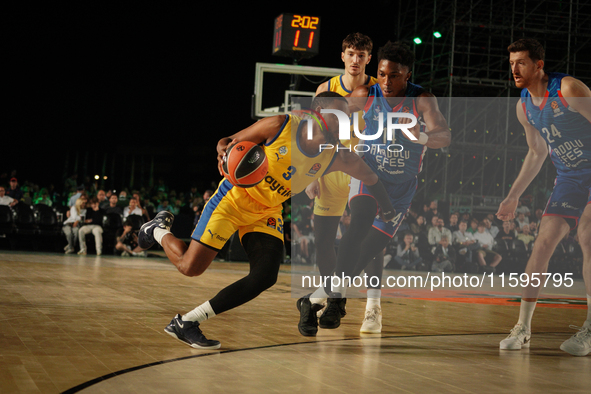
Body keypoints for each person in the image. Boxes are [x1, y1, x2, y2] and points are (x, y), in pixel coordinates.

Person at [137, 92, 395, 348]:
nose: (344, 120)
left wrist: (387, 208)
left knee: (265, 275)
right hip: (234, 199)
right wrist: (222, 152)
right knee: (190, 267)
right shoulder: (281, 124)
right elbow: (228, 140)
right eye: (338, 114)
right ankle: (159, 230)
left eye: (346, 115)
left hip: (267, 211)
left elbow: (371, 178)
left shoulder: (338, 155)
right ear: (318, 113)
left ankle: (188, 322)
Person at [298, 41, 451, 336]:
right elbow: (328, 118)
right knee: (358, 226)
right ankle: (335, 302)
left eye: (393, 75)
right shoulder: (365, 94)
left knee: (369, 249)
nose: (386, 81)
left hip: (402, 186)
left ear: (407, 75)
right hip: (369, 174)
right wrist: (315, 152)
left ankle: (316, 298)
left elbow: (443, 135)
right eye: (381, 74)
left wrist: (423, 138)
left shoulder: (422, 99)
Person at [497, 38, 591, 355]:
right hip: (568, 178)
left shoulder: (568, 89)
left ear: (538, 65)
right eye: (511, 63)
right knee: (542, 243)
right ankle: (523, 327)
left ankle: (590, 329)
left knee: (587, 235)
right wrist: (513, 196)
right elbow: (536, 152)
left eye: (521, 62)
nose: (514, 69)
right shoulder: (523, 106)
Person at [306, 32, 385, 332]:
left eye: (361, 55)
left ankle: (373, 307)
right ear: (342, 56)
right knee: (323, 240)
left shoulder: (380, 90)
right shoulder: (325, 90)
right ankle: (334, 298)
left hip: (363, 169)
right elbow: (315, 136)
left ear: (369, 59)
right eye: (351, 53)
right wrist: (312, 175)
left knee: (369, 240)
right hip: (331, 170)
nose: (355, 60)